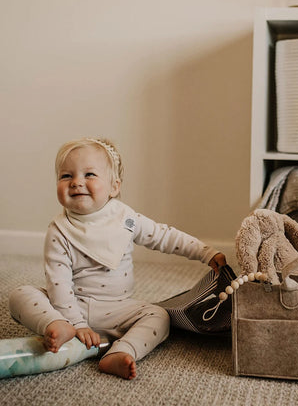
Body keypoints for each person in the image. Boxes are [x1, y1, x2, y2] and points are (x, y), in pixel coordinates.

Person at [9, 137, 226, 380]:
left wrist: (205, 252)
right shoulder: (59, 230)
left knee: (159, 316)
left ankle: (122, 351)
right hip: (71, 305)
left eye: (89, 174)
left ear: (114, 187)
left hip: (117, 310)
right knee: (21, 295)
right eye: (66, 176)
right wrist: (76, 323)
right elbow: (58, 284)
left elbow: (165, 237)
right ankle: (55, 325)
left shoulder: (126, 219)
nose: (76, 182)